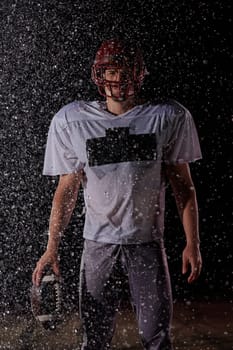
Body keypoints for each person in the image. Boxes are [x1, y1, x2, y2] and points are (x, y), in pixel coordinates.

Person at [32, 38, 202, 350]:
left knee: (157, 338)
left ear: (138, 74)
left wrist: (193, 243)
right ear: (99, 74)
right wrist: (51, 247)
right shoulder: (72, 120)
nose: (116, 79)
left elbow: (184, 189)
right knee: (94, 340)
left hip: (147, 242)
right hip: (98, 243)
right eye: (109, 71)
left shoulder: (167, 117)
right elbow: (65, 191)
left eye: (122, 71)